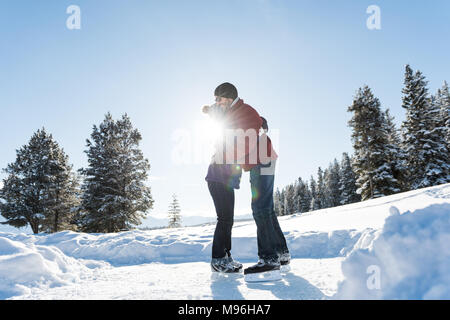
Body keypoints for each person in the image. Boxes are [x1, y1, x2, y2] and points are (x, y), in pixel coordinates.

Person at [205, 82, 290, 275]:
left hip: (262, 161)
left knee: (260, 207)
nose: (216, 103)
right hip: (259, 161)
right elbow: (215, 114)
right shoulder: (231, 111)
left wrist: (225, 156)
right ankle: (281, 253)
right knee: (266, 208)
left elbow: (245, 144)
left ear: (227, 98)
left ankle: (269, 258)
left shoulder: (246, 112)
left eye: (218, 99)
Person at [203, 92, 243, 273]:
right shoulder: (227, 122)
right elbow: (219, 113)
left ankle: (226, 256)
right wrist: (211, 109)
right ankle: (217, 259)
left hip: (225, 180)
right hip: (217, 177)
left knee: (229, 219)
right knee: (224, 218)